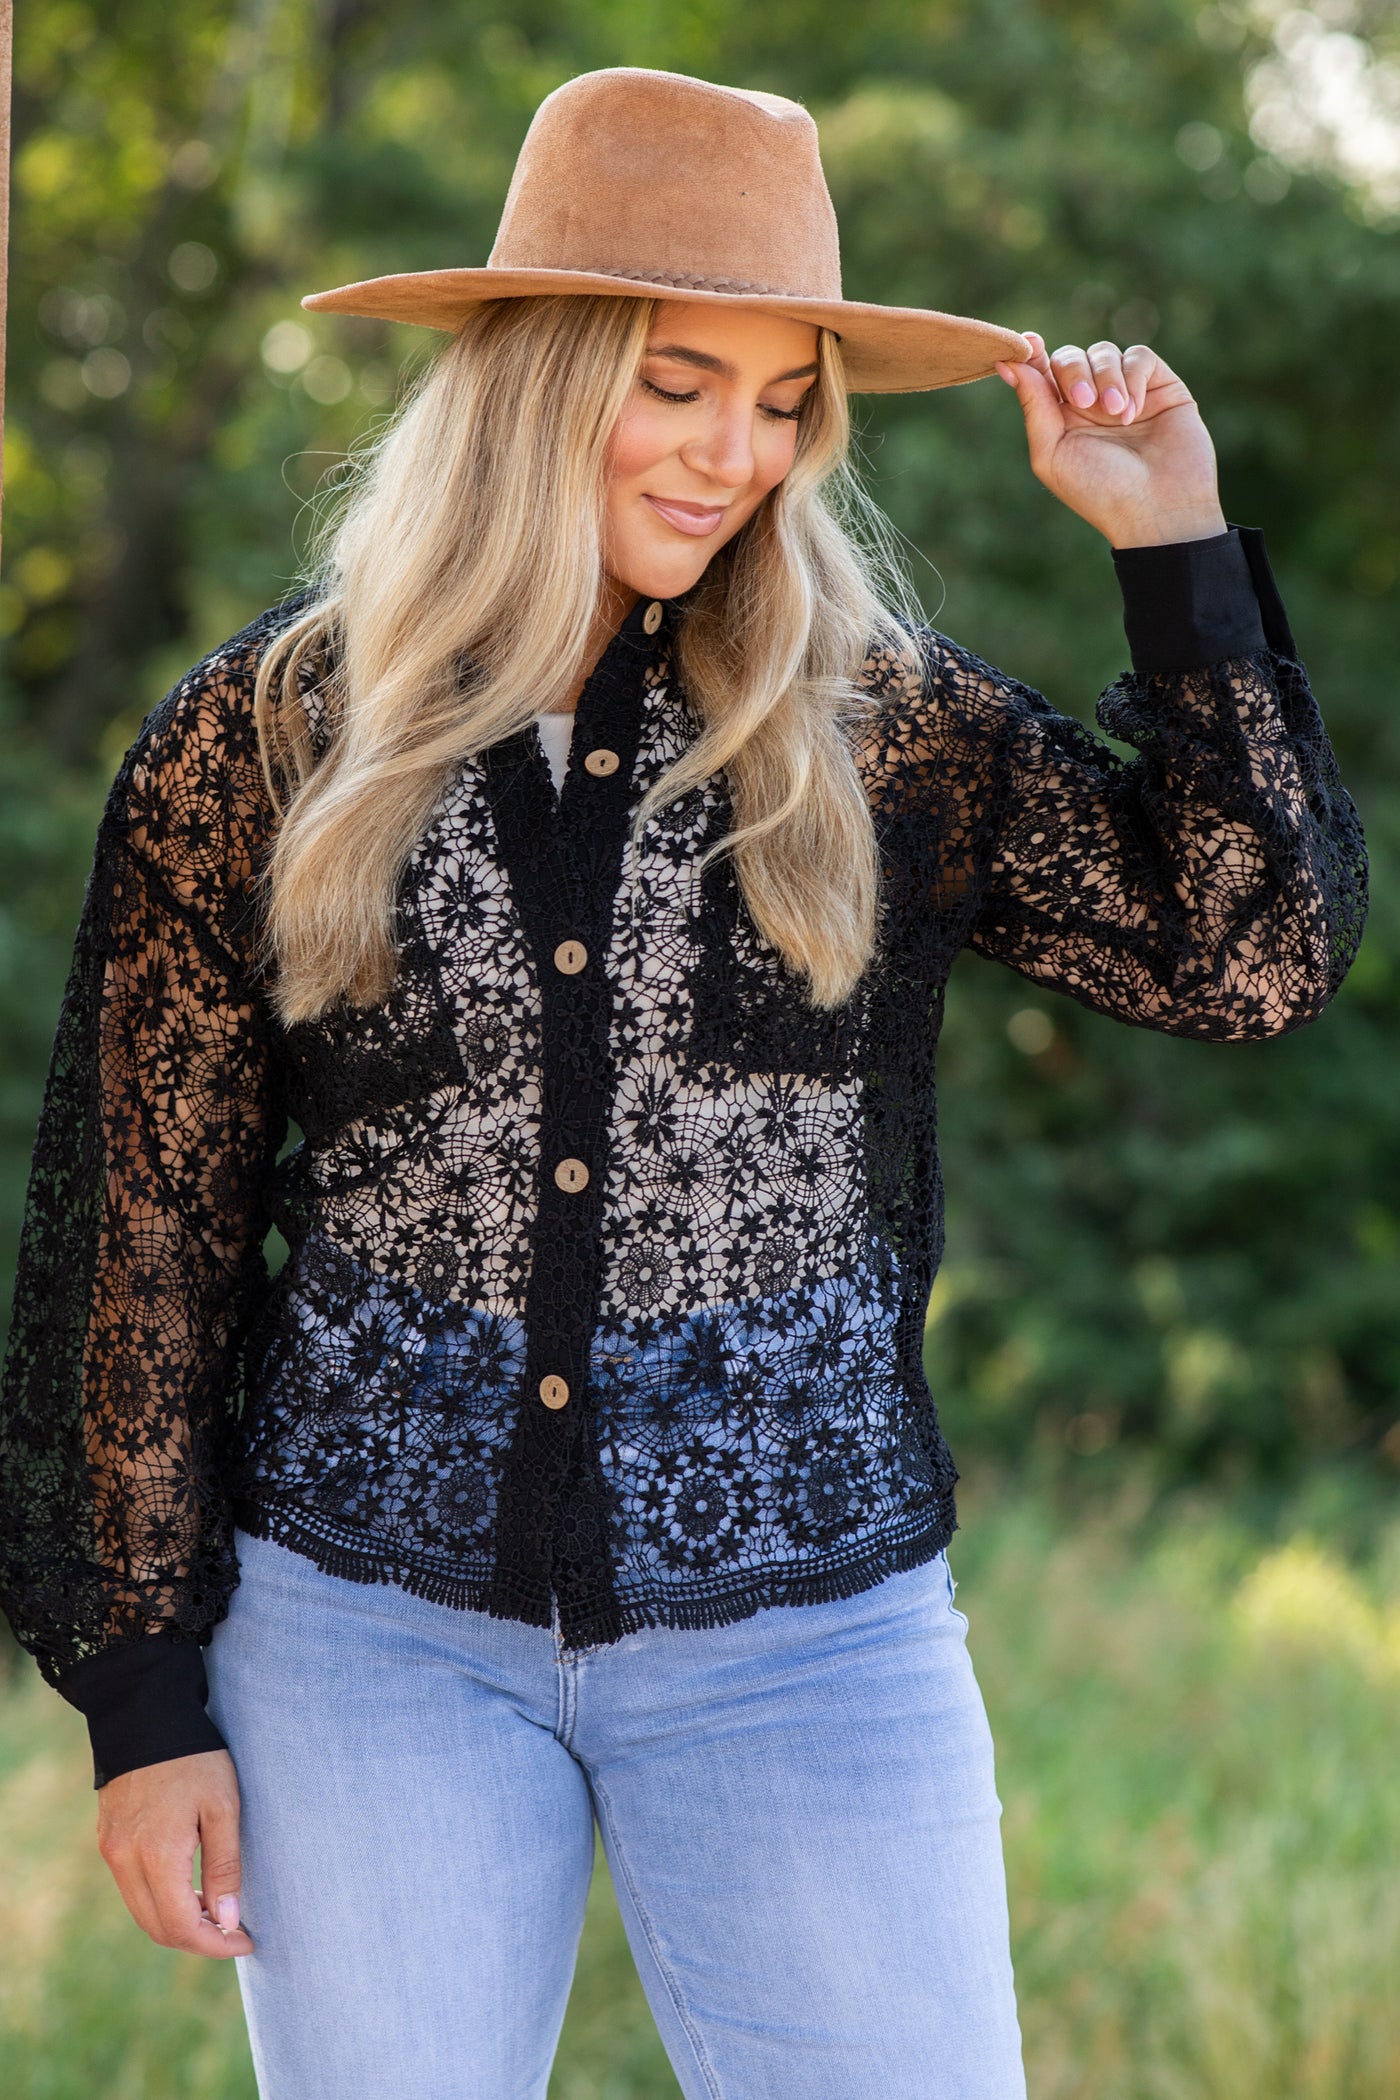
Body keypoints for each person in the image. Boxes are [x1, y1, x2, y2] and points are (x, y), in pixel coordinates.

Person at [0, 64, 1366, 2100]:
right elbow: (147, 1235)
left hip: (812, 1638)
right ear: (538, 374)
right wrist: (142, 1701)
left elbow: (1245, 956)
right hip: (361, 1636)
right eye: (678, 384)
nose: (737, 453)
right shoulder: (263, 737)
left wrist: (1171, 538)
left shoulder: (879, 730)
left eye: (786, 401)